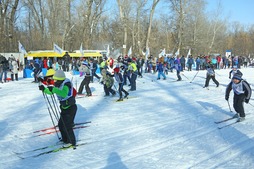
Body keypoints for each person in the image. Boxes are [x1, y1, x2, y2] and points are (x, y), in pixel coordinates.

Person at [39, 70, 77, 147]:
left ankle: (72, 142)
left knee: (67, 126)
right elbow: (51, 92)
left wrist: (54, 89)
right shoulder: (58, 84)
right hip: (64, 108)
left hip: (71, 108)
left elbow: (63, 93)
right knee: (61, 125)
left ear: (60, 79)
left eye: (55, 79)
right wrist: (44, 89)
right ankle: (65, 140)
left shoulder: (66, 84)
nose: (54, 81)